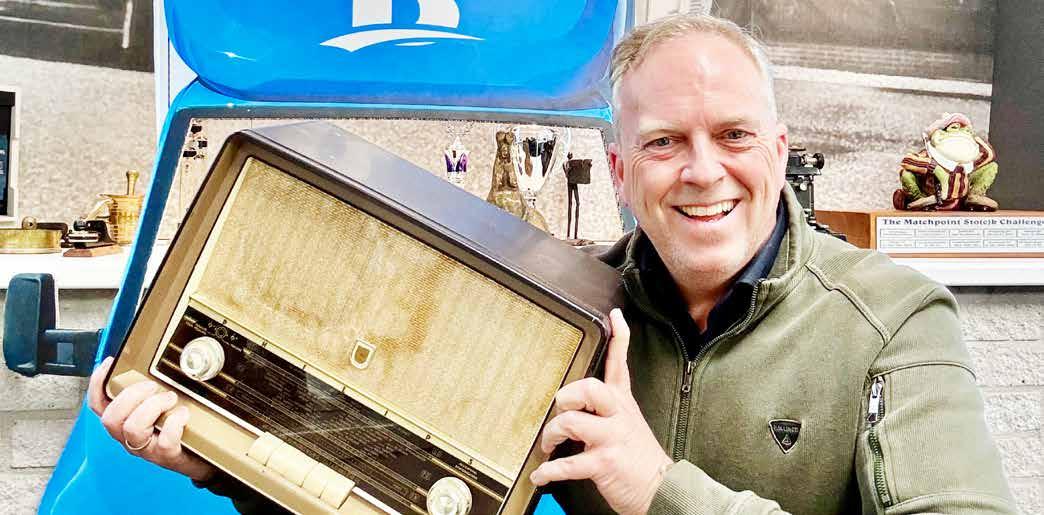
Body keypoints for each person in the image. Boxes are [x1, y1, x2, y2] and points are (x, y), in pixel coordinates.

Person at [87, 13, 1015, 515]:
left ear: (778, 150)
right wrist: (219, 456)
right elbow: (397, 492)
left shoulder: (895, 320)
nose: (703, 171)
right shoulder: (552, 311)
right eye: (663, 142)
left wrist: (660, 489)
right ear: (618, 169)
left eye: (734, 135)